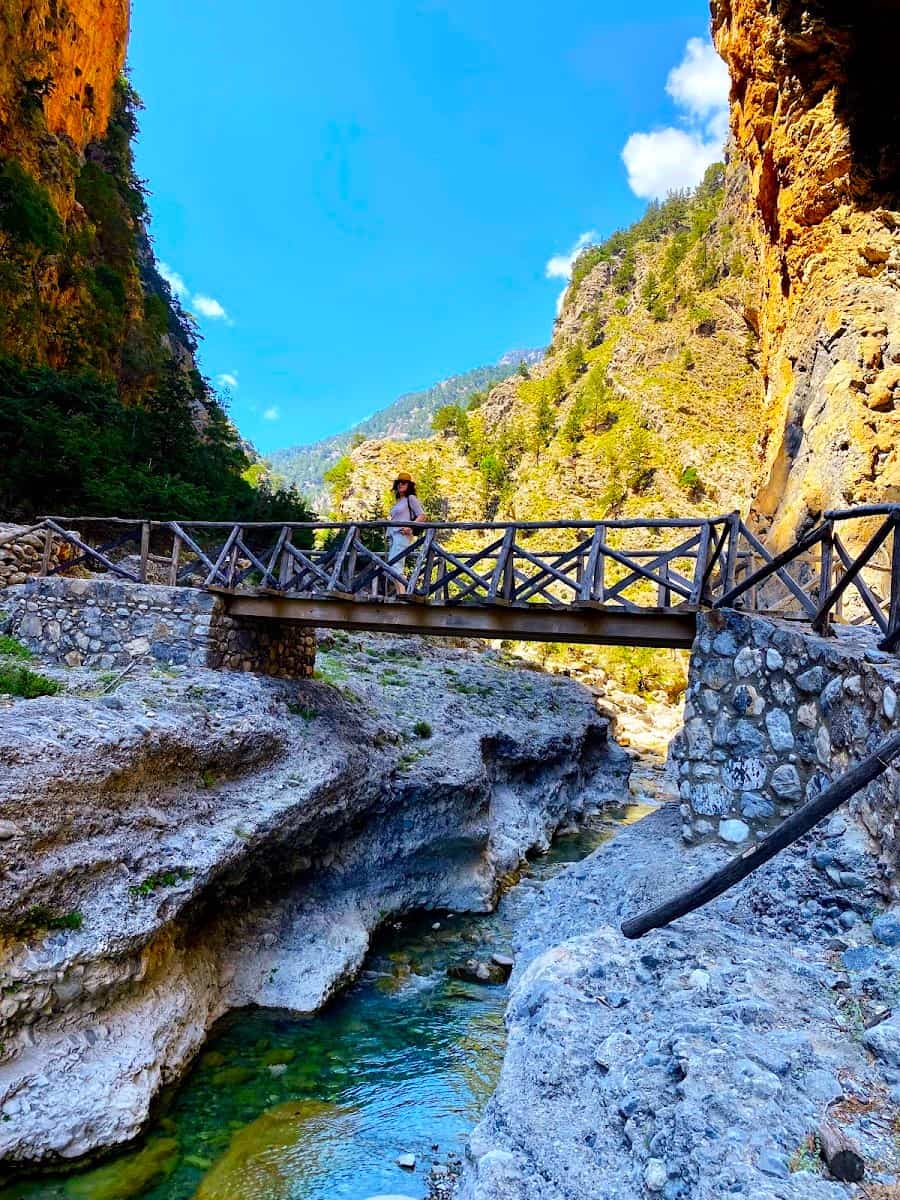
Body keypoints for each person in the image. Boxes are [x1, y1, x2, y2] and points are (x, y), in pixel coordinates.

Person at [387, 472, 426, 595]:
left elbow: (422, 516)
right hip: (394, 536)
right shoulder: (400, 500)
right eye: (398, 482)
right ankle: (401, 593)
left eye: (403, 483)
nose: (400, 485)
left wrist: (410, 527)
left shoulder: (411, 498)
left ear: (409, 485)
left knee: (395, 566)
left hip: (402, 535)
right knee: (392, 567)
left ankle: (403, 594)